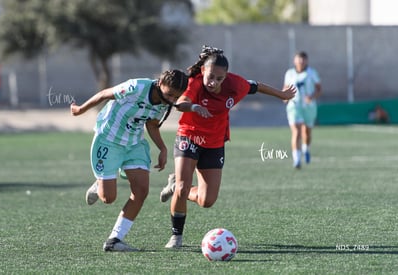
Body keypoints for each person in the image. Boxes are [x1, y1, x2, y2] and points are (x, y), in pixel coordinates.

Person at [158, 45, 296, 248]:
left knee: (207, 200)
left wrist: (282, 95)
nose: (213, 82)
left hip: (214, 143)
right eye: (210, 76)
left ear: (226, 76)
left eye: (219, 78)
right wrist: (194, 106)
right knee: (182, 186)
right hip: (189, 136)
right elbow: (181, 102)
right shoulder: (195, 83)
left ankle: (177, 186)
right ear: (203, 71)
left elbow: (257, 86)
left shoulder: (235, 84)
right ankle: (176, 235)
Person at [70, 69, 188, 252]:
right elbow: (104, 94)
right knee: (108, 198)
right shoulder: (136, 86)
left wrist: (163, 148)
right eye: (170, 94)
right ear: (159, 84)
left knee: (141, 191)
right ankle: (101, 182)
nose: (172, 100)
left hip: (134, 144)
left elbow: (152, 124)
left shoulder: (166, 103)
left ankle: (114, 240)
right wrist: (80, 110)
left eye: (176, 97)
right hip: (109, 140)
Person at [283, 51, 321, 169]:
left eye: (303, 59)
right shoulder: (289, 73)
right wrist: (284, 96)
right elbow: (285, 87)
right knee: (296, 131)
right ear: (295, 60)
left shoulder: (312, 73)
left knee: (307, 132)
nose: (301, 61)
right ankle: (297, 160)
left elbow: (319, 89)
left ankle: (306, 148)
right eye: (299, 59)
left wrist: (312, 97)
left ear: (306, 61)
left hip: (308, 107)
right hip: (294, 106)